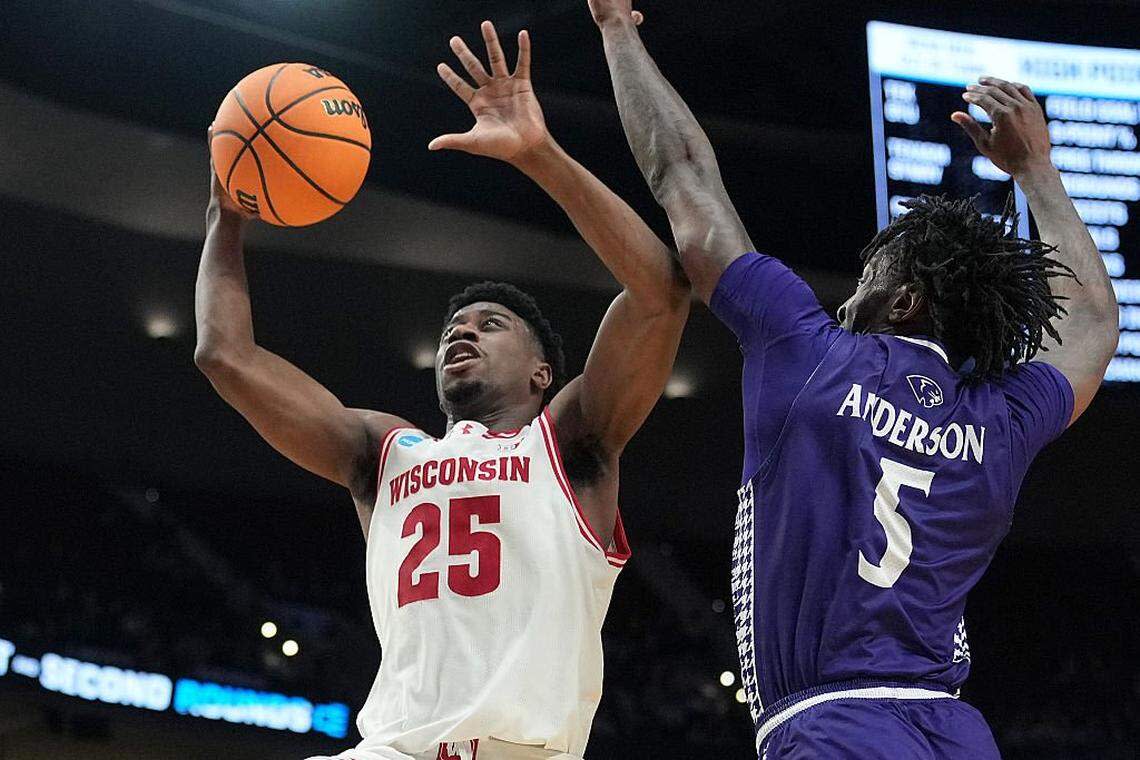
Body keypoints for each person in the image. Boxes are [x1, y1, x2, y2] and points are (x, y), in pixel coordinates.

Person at [587, 3, 1119, 757]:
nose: (846, 297)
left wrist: (616, 30)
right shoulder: (1004, 417)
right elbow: (1093, 325)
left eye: (868, 276)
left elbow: (684, 176)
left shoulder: (808, 352)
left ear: (906, 300)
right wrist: (1037, 169)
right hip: (957, 733)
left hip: (836, 725)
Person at [195, 18, 687, 760]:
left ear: (541, 374)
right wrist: (224, 212)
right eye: (456, 324)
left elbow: (660, 295)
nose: (463, 331)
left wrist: (542, 156)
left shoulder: (569, 445)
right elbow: (223, 354)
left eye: (490, 324)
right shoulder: (383, 454)